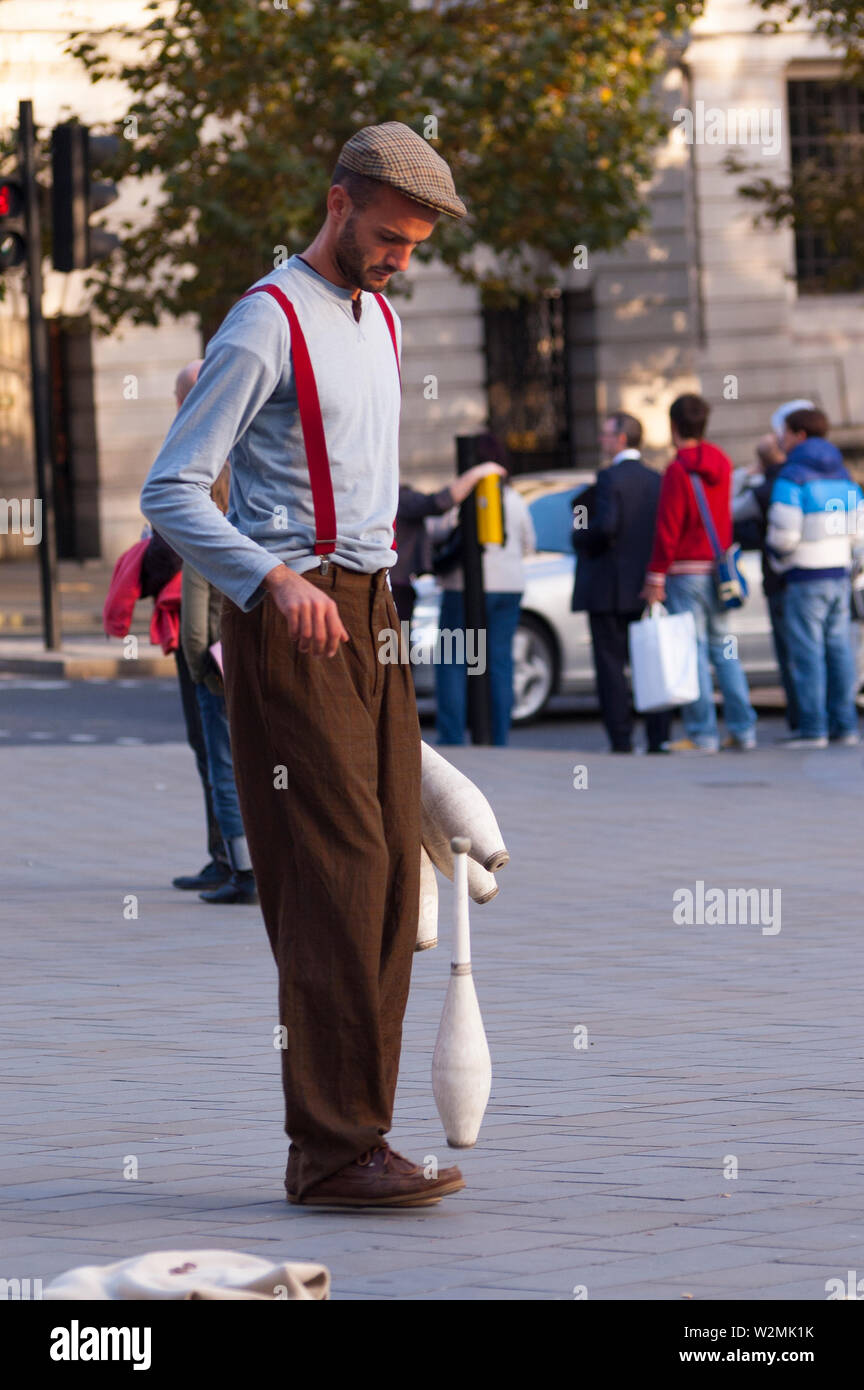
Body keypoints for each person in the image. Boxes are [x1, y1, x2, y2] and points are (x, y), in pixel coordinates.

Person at [141, 121, 468, 1209]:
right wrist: (269, 581)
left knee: (386, 878)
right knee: (330, 877)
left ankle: (357, 1135)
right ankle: (331, 1149)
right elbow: (172, 488)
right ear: (338, 204)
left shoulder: (379, 318)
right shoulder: (262, 321)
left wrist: (382, 602)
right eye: (387, 237)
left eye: (413, 245)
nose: (398, 260)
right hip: (298, 610)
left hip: (372, 612)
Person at [642, 394, 758, 753]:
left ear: (673, 426)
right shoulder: (721, 462)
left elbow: (669, 528)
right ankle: (743, 729)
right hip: (717, 570)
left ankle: (702, 733)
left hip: (685, 573)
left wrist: (655, 575)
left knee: (691, 652)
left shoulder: (678, 470)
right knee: (724, 650)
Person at [155, 361, 232, 894]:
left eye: (182, 398)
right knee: (212, 747)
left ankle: (235, 859)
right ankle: (225, 854)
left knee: (217, 747)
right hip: (208, 625)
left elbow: (180, 546)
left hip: (209, 629)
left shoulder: (203, 459)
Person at [180, 463, 259, 906]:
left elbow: (193, 626)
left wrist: (198, 672)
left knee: (225, 772)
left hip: (218, 670)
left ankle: (242, 871)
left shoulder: (203, 539)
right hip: (256, 664)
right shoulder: (254, 530)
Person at [571, 411, 670, 753]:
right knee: (650, 662)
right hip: (646, 586)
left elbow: (607, 526)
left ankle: (622, 738)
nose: (601, 441)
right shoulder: (656, 479)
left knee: (612, 668)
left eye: (605, 435)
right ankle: (659, 737)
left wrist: (579, 536)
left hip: (609, 588)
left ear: (622, 439)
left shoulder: (609, 478)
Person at [426, 441, 536, 746]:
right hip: (509, 587)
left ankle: (452, 736)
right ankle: (498, 737)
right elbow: (530, 543)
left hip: (463, 588)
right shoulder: (514, 498)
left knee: (453, 659)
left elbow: (435, 529)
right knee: (499, 661)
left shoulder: (465, 495)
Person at [766, 406, 864, 748]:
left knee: (807, 655)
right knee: (839, 652)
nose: (782, 439)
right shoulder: (845, 477)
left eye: (786, 433)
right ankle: (845, 726)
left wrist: (778, 556)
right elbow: (859, 533)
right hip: (838, 574)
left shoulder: (791, 477)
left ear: (799, 435)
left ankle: (813, 729)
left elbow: (784, 536)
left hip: (804, 576)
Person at [732, 403, 815, 737]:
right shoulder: (810, 476)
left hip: (783, 580)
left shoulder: (769, 488)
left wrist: (748, 473)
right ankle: (824, 722)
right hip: (812, 574)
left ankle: (804, 722)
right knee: (815, 652)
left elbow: (730, 512)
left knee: (793, 655)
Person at [391, 461, 506, 623]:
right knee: (395, 644)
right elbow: (439, 502)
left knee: (394, 643)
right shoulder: (398, 497)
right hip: (397, 586)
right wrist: (477, 473)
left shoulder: (386, 498)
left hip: (396, 584)